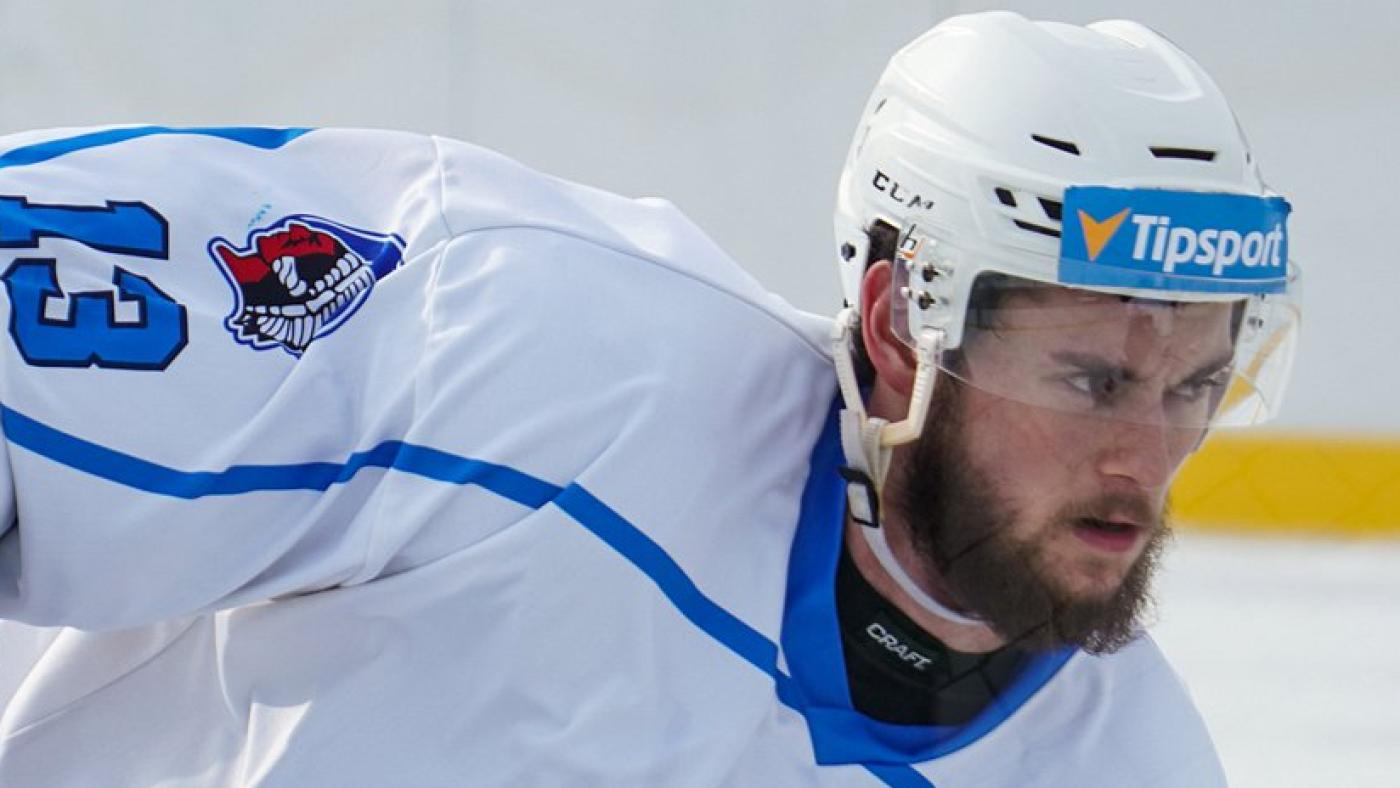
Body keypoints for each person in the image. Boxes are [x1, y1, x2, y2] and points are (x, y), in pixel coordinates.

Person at [0, 12, 1298, 787]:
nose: (1147, 456)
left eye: (1194, 384)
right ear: (901, 330)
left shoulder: (1129, 765)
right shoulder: (521, 350)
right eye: (1089, 380)